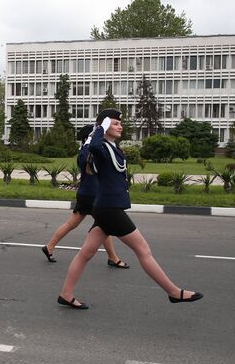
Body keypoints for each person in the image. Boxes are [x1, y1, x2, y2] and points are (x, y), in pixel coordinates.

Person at [58, 109, 203, 309]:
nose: (120, 126)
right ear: (105, 126)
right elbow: (90, 150)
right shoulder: (98, 146)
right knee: (143, 250)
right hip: (110, 209)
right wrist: (100, 127)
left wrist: (104, 128)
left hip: (106, 206)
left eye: (120, 123)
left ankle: (66, 294)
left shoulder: (111, 147)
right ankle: (173, 292)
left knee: (86, 253)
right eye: (115, 123)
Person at [41, 124, 128, 269]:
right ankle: (113, 258)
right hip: (94, 195)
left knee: (73, 224)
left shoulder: (85, 150)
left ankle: (49, 247)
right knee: (104, 227)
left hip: (86, 193)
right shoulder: (89, 151)